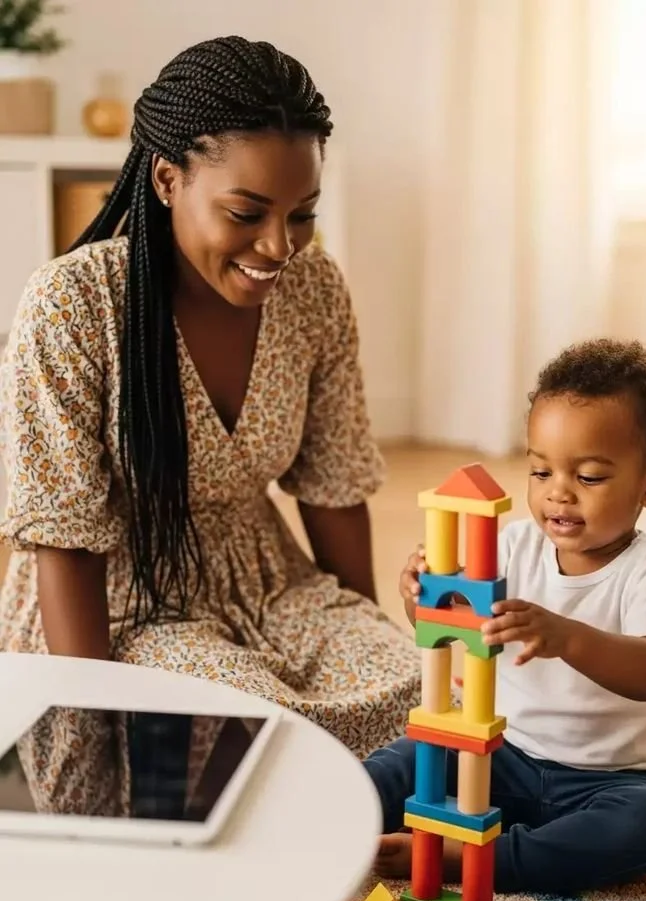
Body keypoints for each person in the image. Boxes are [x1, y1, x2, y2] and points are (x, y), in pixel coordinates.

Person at [0, 36, 420, 817]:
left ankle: (325, 804)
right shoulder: (71, 306)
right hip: (121, 605)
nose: (279, 246)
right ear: (166, 177)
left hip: (267, 579)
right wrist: (94, 719)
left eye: (303, 215)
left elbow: (331, 489)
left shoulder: (314, 289)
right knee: (247, 720)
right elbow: (65, 543)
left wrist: (369, 631)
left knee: (423, 692)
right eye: (247, 213)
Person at [365, 340, 646, 894]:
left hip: (608, 782)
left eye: (588, 477)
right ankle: (339, 816)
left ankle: (478, 861)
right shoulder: (515, 548)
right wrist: (420, 593)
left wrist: (565, 636)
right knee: (407, 758)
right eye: (541, 472)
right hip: (501, 758)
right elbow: (450, 622)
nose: (558, 494)